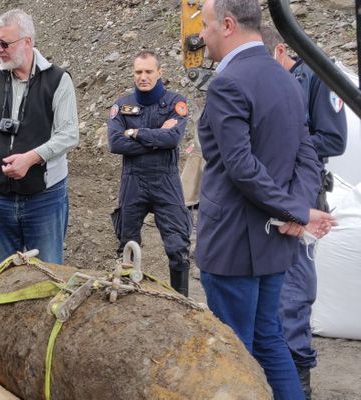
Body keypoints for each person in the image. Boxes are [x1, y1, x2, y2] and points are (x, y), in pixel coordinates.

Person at [195, 1, 336, 399]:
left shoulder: (228, 83)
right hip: (275, 243)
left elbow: (240, 167)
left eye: (205, 26)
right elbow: (307, 153)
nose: (200, 36)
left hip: (232, 247)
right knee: (270, 341)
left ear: (226, 25)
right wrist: (297, 210)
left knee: (234, 353)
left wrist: (296, 212)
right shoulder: (285, 78)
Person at [261, 25, 347, 399]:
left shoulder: (317, 75)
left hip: (304, 192)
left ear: (282, 51)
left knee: (292, 291)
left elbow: (333, 139)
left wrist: (282, 140)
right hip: (273, 190)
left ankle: (299, 380)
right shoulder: (270, 80)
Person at [0, 9, 79, 268]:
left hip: (45, 198)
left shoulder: (58, 80)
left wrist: (30, 159)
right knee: (2, 276)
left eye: (5, 43)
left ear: (27, 41)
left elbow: (69, 134)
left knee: (47, 275)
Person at [107, 50, 191, 296]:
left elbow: (173, 138)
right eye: (138, 72)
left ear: (159, 72)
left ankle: (181, 300)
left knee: (178, 249)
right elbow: (115, 144)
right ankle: (128, 298)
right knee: (127, 246)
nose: (143, 77)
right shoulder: (122, 106)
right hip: (133, 181)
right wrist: (157, 137)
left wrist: (135, 133)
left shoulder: (176, 102)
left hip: (166, 180)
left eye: (148, 71)